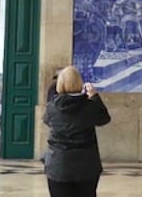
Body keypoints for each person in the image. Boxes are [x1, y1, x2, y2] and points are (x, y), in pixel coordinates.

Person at [43, 66, 111, 197]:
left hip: (58, 165)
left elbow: (47, 121)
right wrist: (95, 97)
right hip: (86, 166)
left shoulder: (52, 107)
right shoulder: (90, 106)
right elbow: (104, 119)